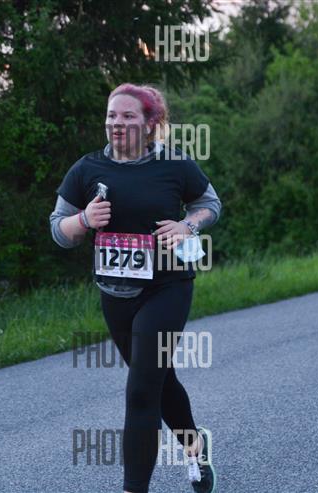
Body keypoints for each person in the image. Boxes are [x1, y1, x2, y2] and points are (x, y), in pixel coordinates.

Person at [49, 83, 221, 493]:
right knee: (160, 382)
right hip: (116, 294)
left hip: (167, 288)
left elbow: (209, 204)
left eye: (128, 116)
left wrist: (187, 225)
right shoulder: (87, 169)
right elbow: (58, 229)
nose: (117, 124)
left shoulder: (174, 165)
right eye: (112, 116)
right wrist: (84, 220)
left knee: (141, 389)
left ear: (149, 124)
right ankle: (196, 447)